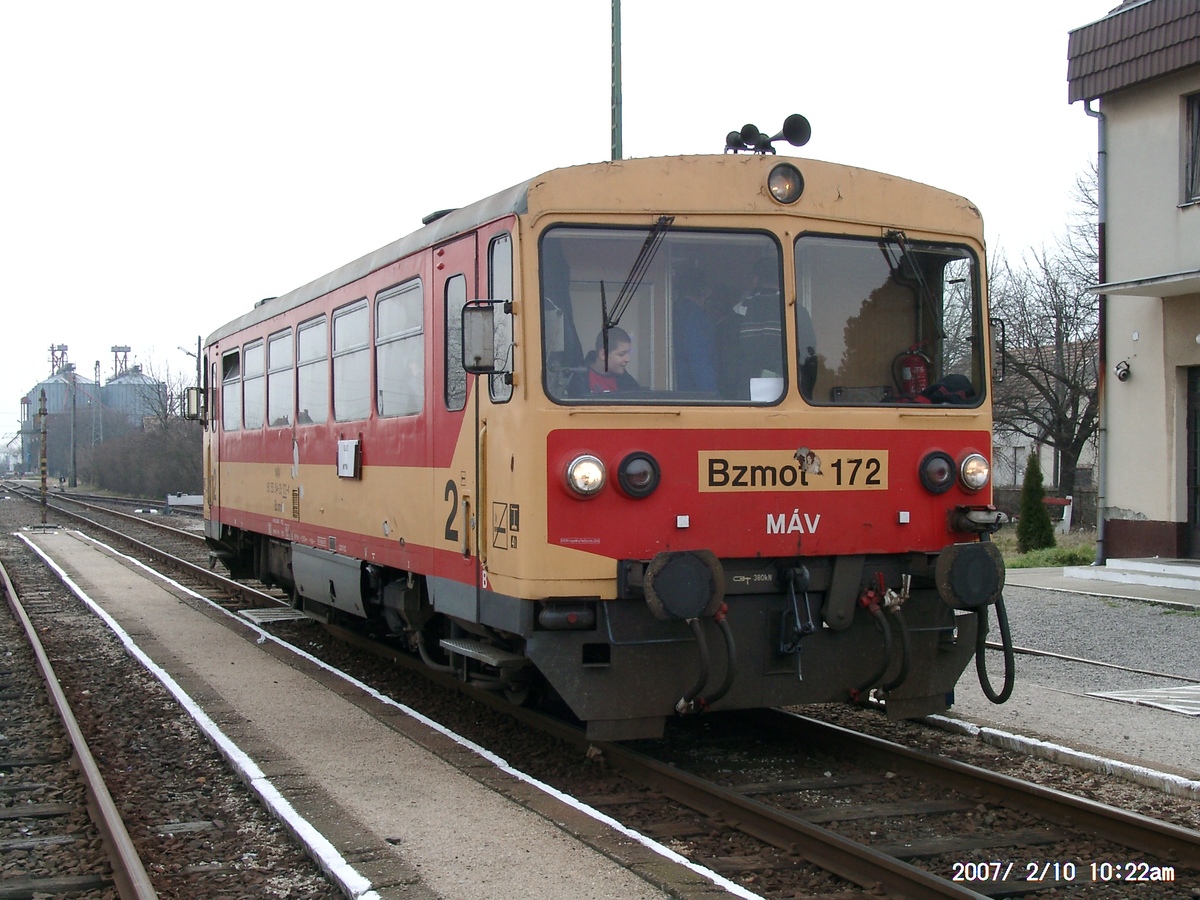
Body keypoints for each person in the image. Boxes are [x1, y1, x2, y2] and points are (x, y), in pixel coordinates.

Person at [672, 270, 719, 392]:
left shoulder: (671, 311)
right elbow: (699, 360)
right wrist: (711, 396)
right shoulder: (696, 317)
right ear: (705, 291)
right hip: (693, 392)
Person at [568, 326, 640, 395]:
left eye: (628, 353)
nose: (628, 359)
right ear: (603, 355)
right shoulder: (579, 381)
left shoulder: (629, 383)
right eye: (621, 354)